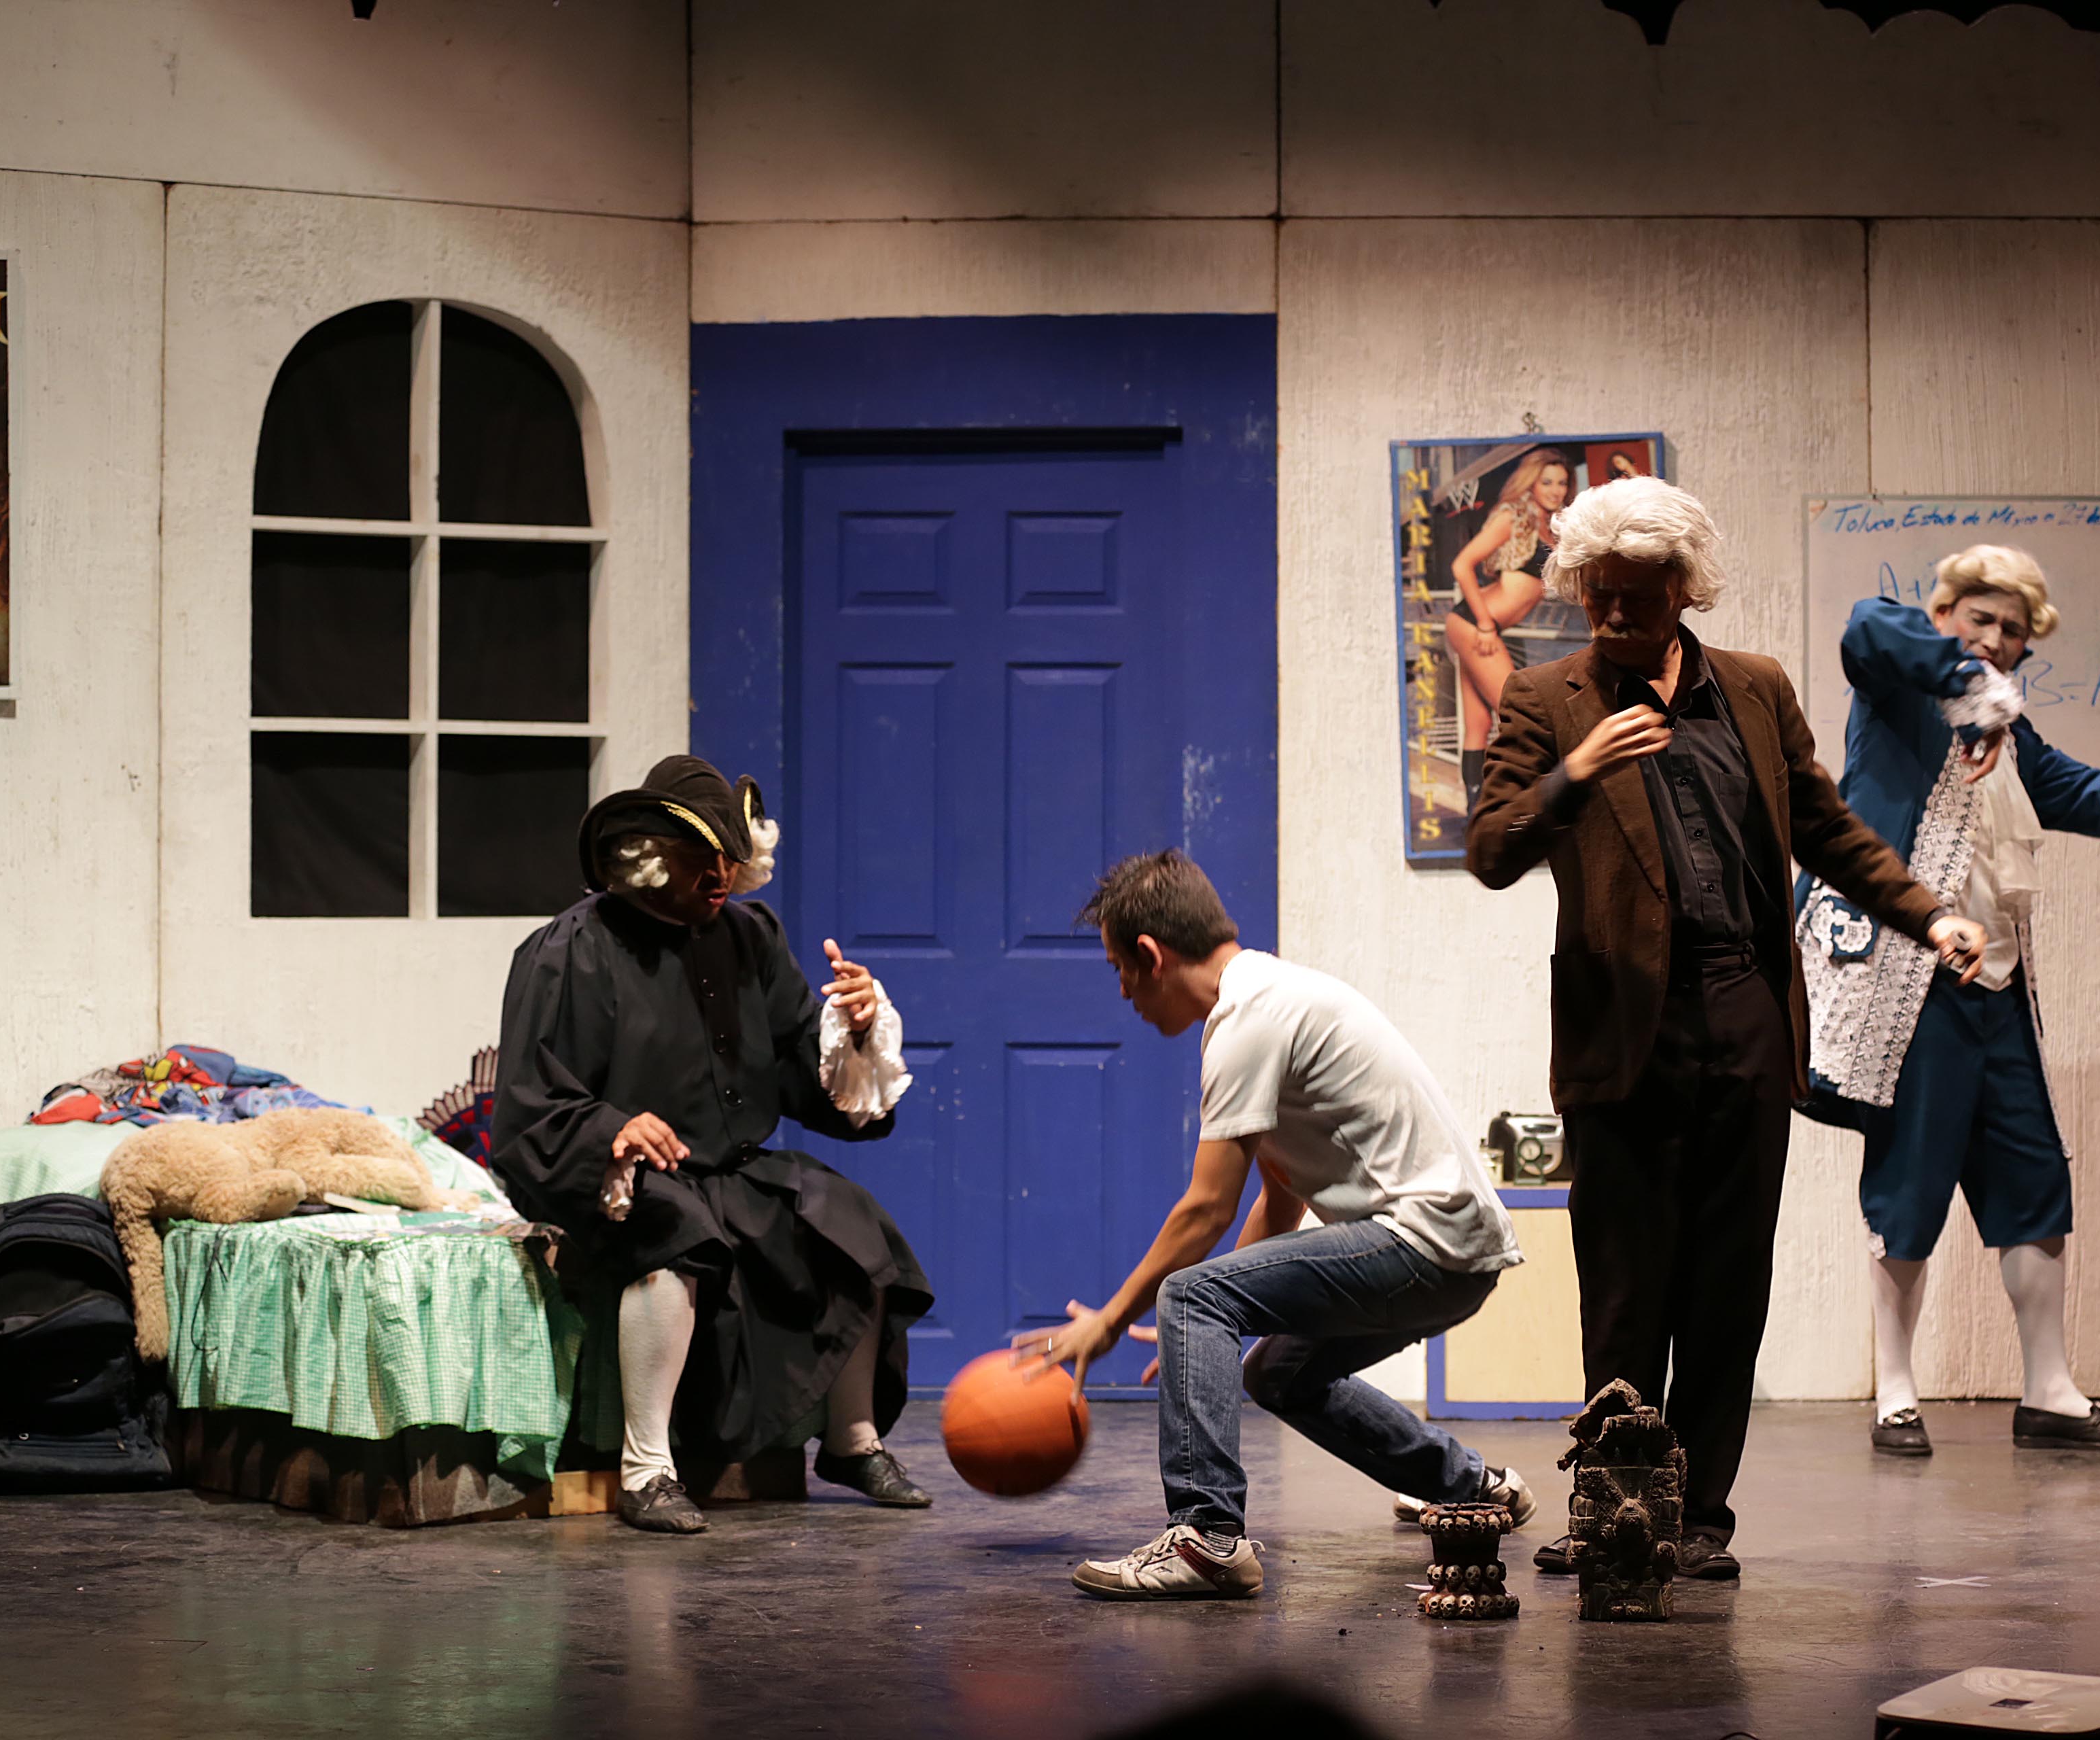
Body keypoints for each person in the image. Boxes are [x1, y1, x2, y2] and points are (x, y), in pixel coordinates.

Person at [1465, 476, 1989, 1581]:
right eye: (1597, 594)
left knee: (1725, 1285)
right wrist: (1577, 771)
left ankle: (1697, 1518)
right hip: (1624, 1028)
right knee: (1623, 1289)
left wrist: (1928, 913)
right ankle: (1615, 1507)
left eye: (1637, 595)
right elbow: (1493, 848)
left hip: (1746, 1014)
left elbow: (1828, 829)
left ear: (1683, 589)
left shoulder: (1753, 688)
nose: (1613, 615)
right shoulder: (1547, 699)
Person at [1798, 547, 2100, 1457]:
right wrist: (1968, 686)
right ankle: (1896, 1392)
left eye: (2011, 631)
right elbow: (1867, 627)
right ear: (1945, 616)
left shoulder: (2015, 741)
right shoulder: (1898, 695)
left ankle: (2049, 1391)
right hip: (1911, 984)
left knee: (2034, 1183)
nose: (1994, 640)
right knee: (1910, 1185)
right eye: (1979, 620)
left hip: (1996, 990)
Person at [1022, 851, 1530, 1600]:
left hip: (1425, 1244)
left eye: (1119, 970)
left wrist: (1119, 1318)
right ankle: (1472, 1486)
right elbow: (1281, 1193)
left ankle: (1207, 1540)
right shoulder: (1270, 995)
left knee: (1188, 1294)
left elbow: (1206, 1209)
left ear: (1151, 955)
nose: (1123, 991)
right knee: (1275, 1373)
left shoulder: (1247, 1019)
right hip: (1459, 1254)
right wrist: (1207, 1333)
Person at [494, 754, 935, 1533]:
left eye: (730, 856)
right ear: (648, 855)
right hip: (619, 1176)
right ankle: (646, 1469)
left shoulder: (751, 936)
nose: (720, 875)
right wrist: (612, 1127)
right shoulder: (571, 949)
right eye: (701, 856)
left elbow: (804, 1072)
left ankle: (851, 1440)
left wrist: (857, 1028)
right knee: (675, 1230)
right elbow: (532, 1099)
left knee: (850, 1221)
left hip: (727, 1170)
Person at [1443, 447, 1575, 810]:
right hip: (1476, 625)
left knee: (1478, 724)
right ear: (1531, 483)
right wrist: (1486, 625)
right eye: (1546, 482)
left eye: (1562, 483)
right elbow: (1461, 565)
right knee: (1521, 717)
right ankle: (1528, 806)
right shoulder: (1513, 517)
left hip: (1476, 625)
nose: (1555, 490)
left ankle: (1476, 812)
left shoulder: (1551, 527)